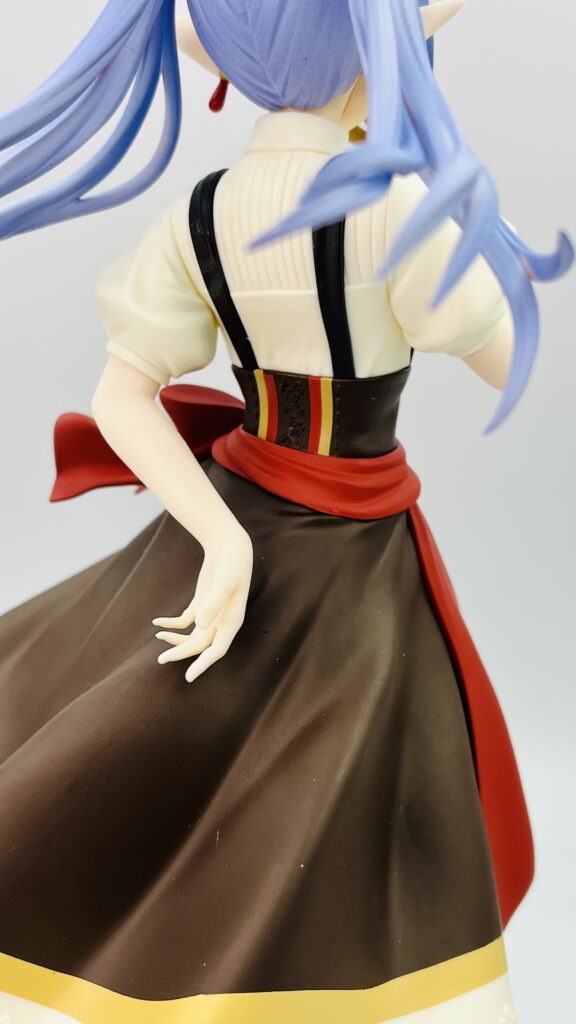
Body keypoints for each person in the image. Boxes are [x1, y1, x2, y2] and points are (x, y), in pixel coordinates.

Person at [0, 2, 572, 1021]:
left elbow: (120, 396)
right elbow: (501, 361)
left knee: (209, 765)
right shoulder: (396, 212)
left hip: (246, 508)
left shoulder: (204, 212)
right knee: (354, 786)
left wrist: (220, 537)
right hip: (352, 555)